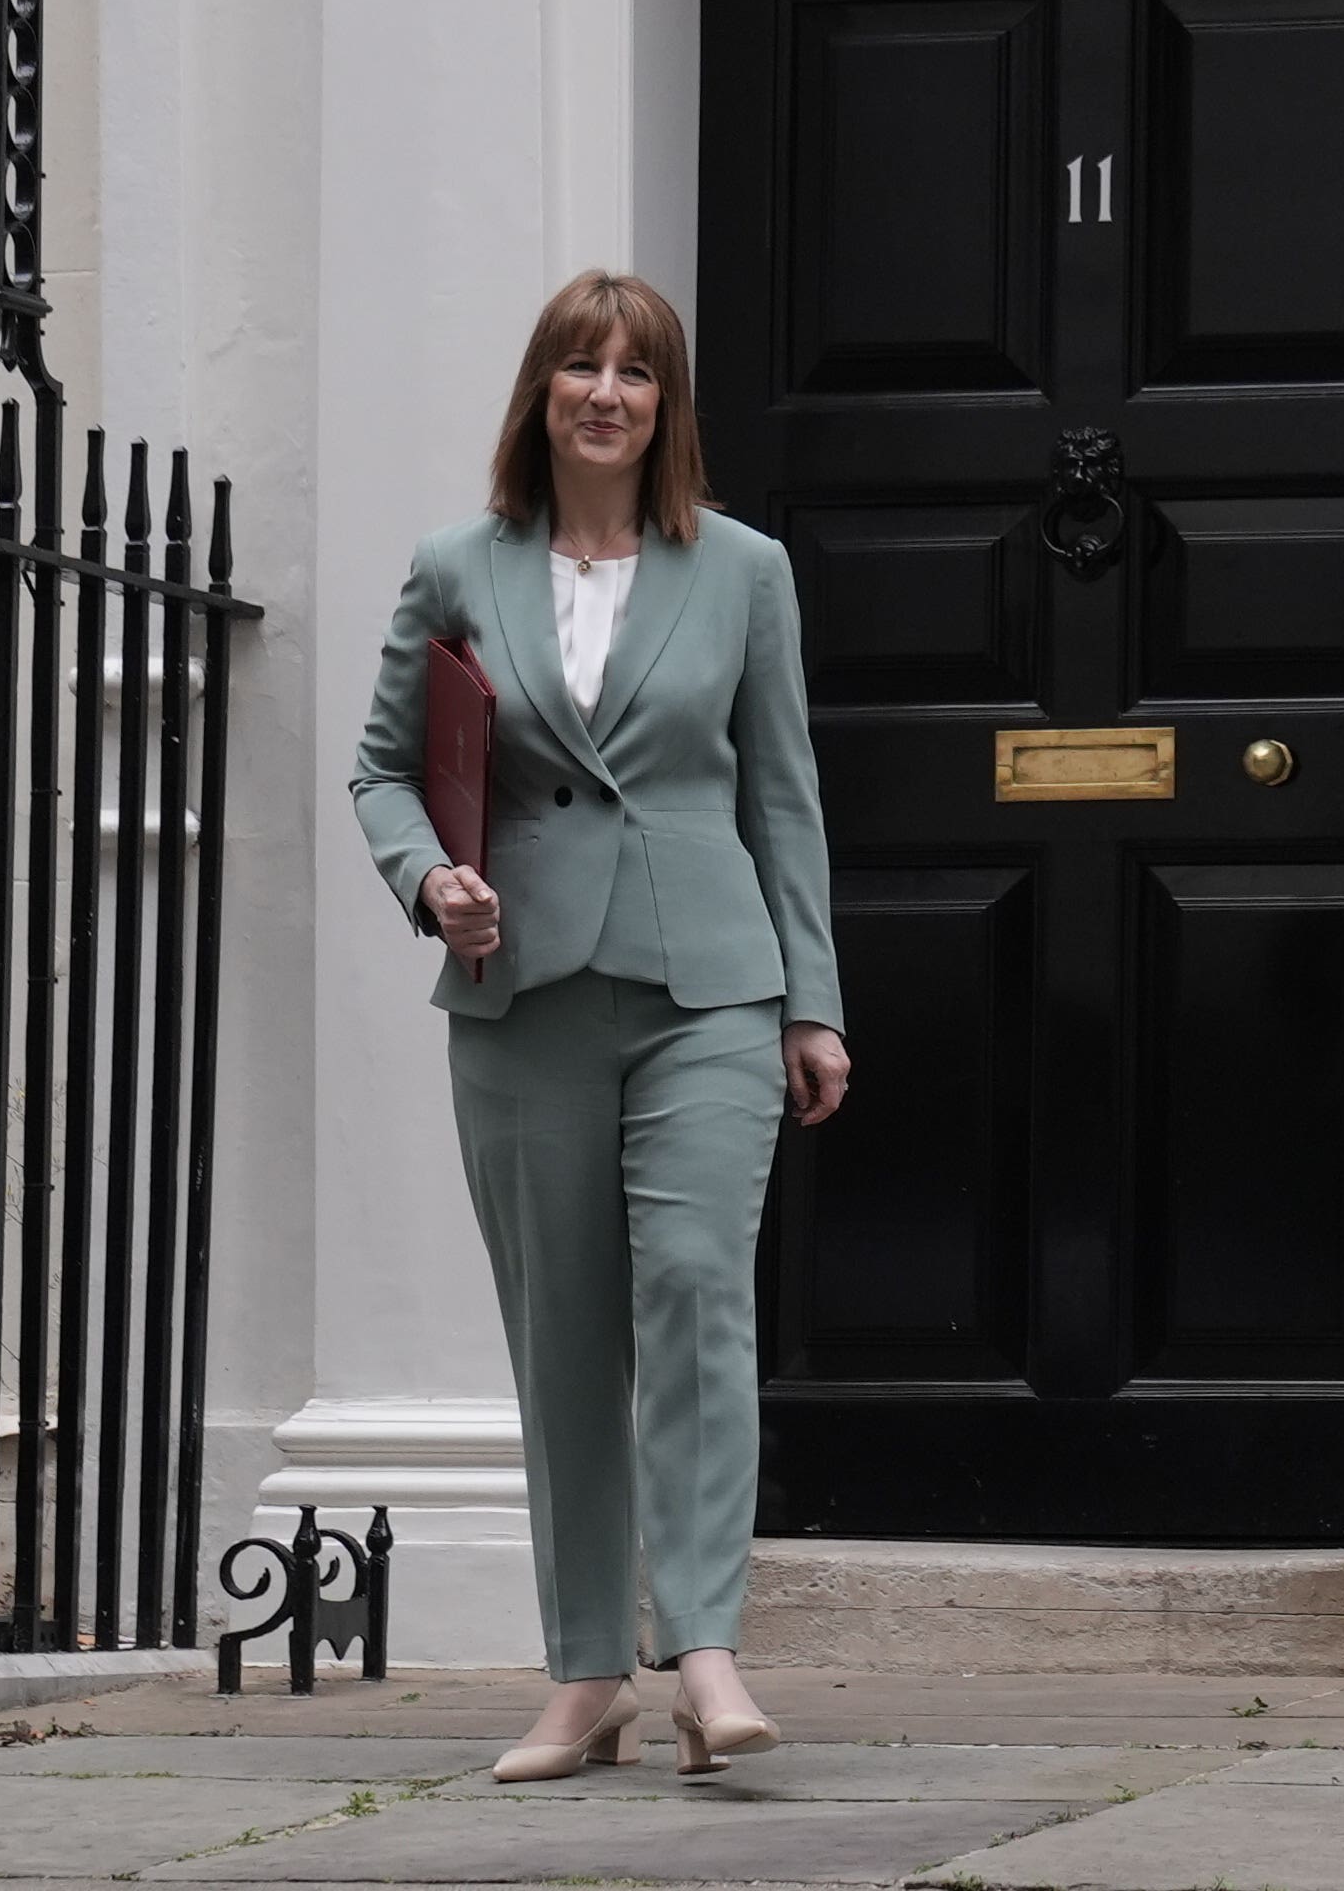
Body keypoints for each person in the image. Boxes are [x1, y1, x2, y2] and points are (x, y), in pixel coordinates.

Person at [349, 270, 851, 1781]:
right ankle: (584, 1674)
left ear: (666, 404)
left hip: (710, 984)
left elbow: (784, 794)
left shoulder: (744, 569)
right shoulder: (457, 566)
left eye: (637, 371)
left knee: (696, 1290)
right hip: (520, 997)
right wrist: (430, 877)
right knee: (561, 1331)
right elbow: (383, 768)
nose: (609, 392)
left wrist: (812, 1001)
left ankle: (701, 1646)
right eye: (583, 365)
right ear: (543, 393)